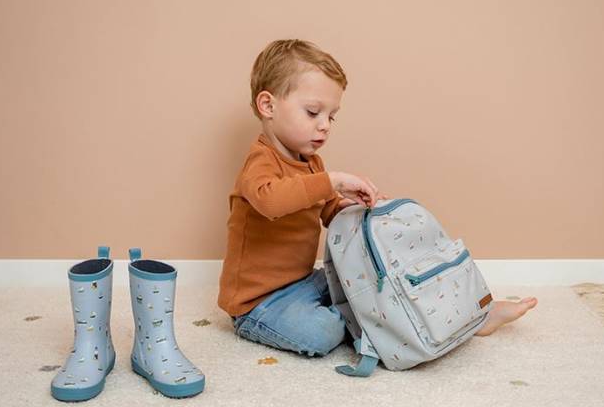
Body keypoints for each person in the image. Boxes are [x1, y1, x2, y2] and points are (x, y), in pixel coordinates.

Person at [217, 39, 537, 358]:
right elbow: (271, 202)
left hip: (303, 281)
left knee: (372, 283)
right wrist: (333, 181)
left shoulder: (310, 162)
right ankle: (378, 326)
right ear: (268, 106)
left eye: (332, 116)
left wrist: (355, 206)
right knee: (322, 332)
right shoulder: (260, 162)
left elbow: (327, 211)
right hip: (259, 303)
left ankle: (472, 316)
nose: (325, 125)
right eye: (313, 112)